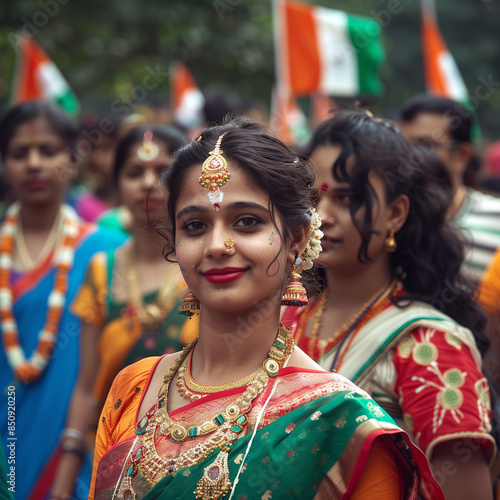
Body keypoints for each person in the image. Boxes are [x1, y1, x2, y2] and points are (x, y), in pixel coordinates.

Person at [90, 117, 444, 499]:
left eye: (246, 222)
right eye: (195, 226)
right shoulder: (134, 388)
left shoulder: (337, 421)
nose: (216, 245)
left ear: (297, 239)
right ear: (175, 243)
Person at [283, 110, 497, 500]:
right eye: (313, 197)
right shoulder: (285, 318)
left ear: (396, 212)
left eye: (348, 198)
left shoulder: (430, 347)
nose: (322, 216)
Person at [49, 124, 198, 499]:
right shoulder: (102, 270)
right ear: (116, 184)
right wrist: (66, 478)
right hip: (112, 456)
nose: (147, 183)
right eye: (134, 173)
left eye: (161, 171)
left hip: (192, 453)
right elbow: (86, 387)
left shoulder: (203, 265)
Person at [0, 101, 127, 500]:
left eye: (49, 151)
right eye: (20, 153)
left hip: (80, 448)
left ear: (74, 160)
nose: (34, 163)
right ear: (4, 164)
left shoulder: (109, 254)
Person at [399, 95, 500, 286]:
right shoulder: (388, 222)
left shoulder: (497, 220)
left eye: (425, 146)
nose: (408, 158)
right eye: (401, 146)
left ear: (462, 156)